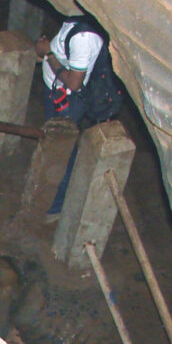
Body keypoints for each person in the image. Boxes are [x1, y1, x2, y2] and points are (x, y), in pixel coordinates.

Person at [34, 18, 107, 219]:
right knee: (56, 146)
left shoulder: (84, 37)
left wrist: (48, 54)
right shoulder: (73, 22)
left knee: (63, 152)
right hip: (57, 95)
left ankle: (56, 206)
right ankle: (50, 195)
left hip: (68, 101)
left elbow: (74, 83)